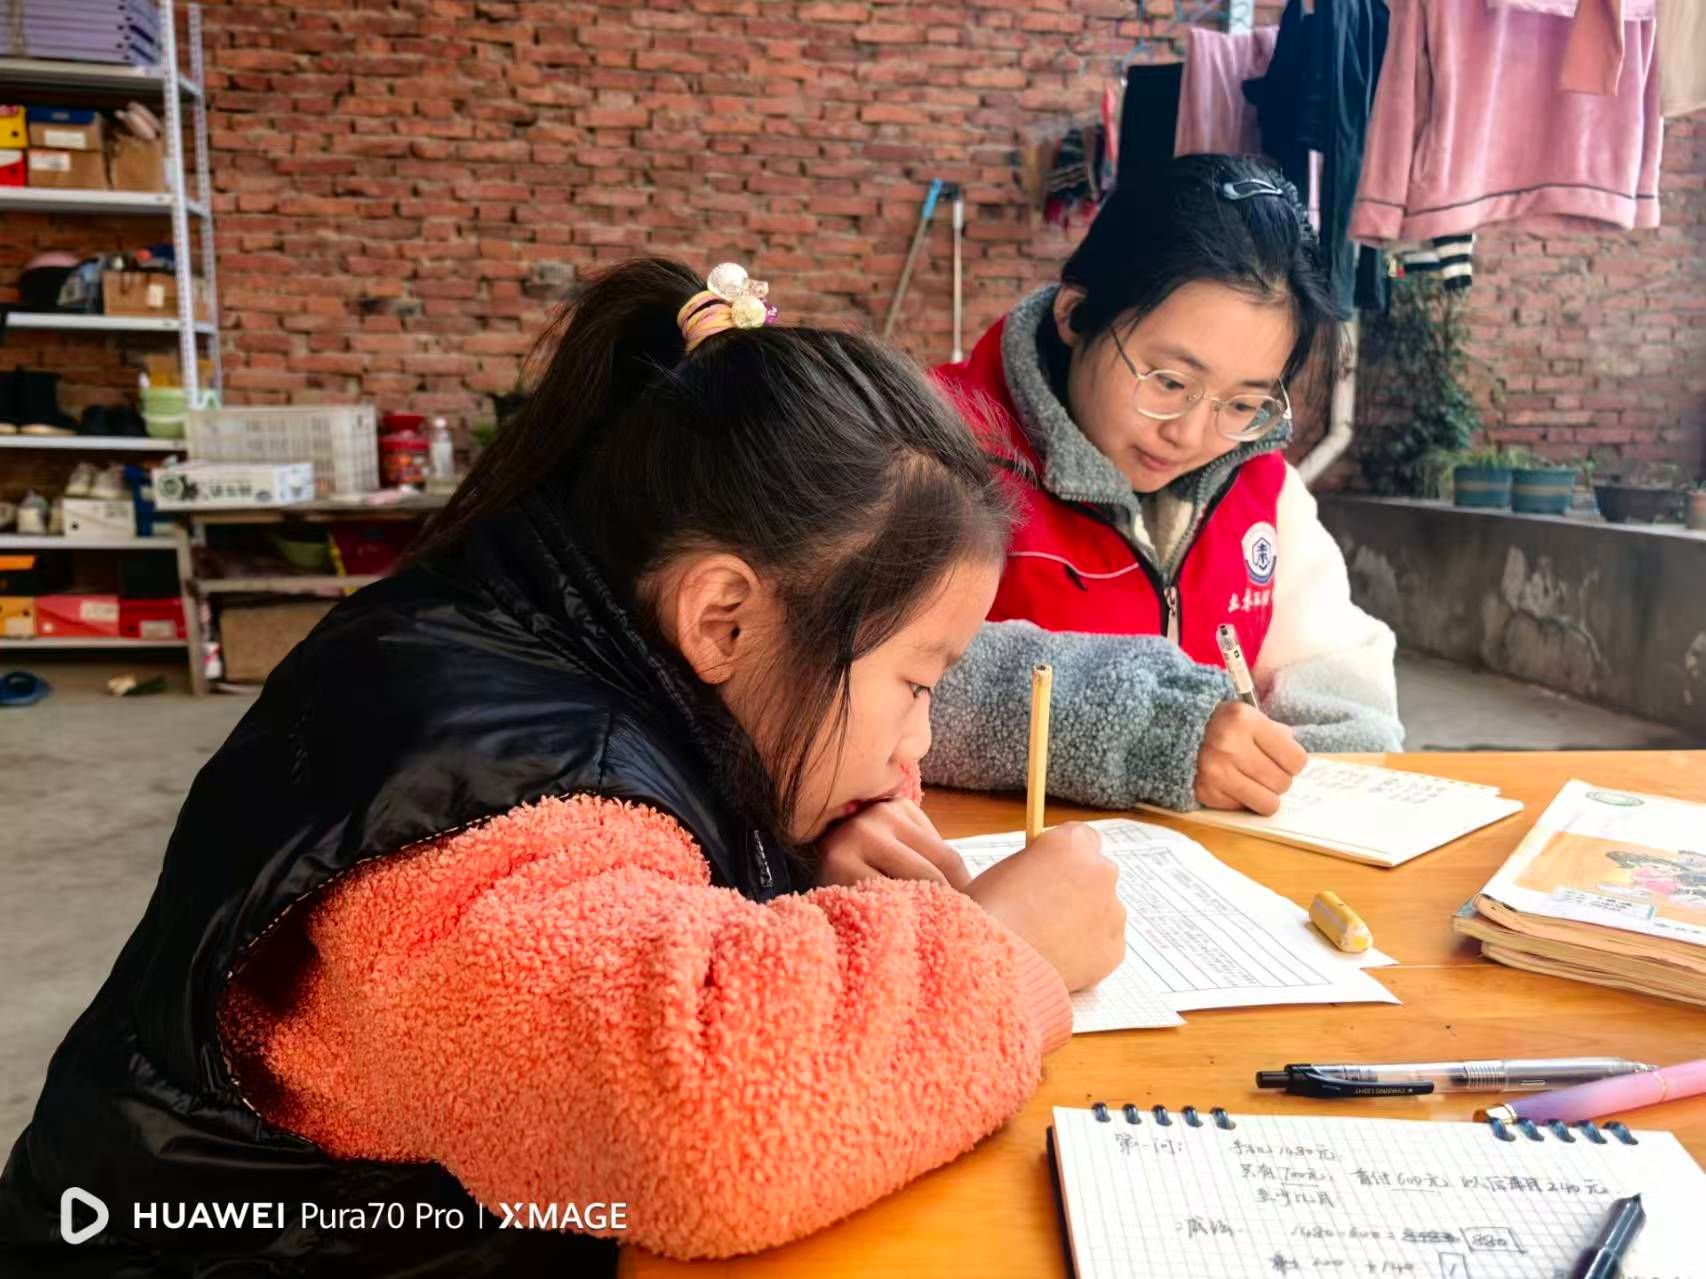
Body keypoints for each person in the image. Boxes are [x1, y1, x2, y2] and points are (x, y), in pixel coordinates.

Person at [0, 259, 1127, 1277]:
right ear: (724, 619)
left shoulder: (562, 614)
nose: (918, 741)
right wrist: (1004, 950)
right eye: (918, 683)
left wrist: (798, 828)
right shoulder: (490, 813)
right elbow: (706, 1132)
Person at [925, 154, 1403, 817]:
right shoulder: (933, 449)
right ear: (1076, 314)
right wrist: (1152, 729)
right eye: (1170, 382)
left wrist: (1309, 772)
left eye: (1243, 403)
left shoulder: (1263, 491)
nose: (1190, 434)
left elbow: (1339, 680)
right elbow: (870, 672)